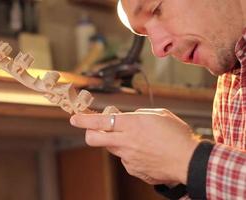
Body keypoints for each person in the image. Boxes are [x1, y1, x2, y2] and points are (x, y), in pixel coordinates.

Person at [70, 0, 246, 199]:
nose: (158, 49)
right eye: (145, 33)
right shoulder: (230, 82)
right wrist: (179, 179)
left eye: (157, 9)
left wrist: (186, 159)